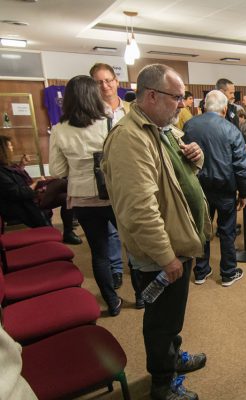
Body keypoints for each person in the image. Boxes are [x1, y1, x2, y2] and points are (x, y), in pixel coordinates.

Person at [102, 64, 211, 400]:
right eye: (177, 97)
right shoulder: (129, 139)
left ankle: (173, 358)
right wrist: (166, 257)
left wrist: (197, 156)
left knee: (171, 315)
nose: (182, 104)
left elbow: (182, 172)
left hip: (179, 240)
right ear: (151, 95)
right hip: (160, 252)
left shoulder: (162, 128)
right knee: (161, 321)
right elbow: (139, 210)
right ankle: (163, 385)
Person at [49, 75, 121, 316]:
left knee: (99, 253)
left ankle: (112, 302)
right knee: (130, 245)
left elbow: (57, 171)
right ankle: (142, 297)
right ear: (94, 96)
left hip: (81, 198)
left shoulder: (59, 130)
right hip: (111, 195)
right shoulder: (108, 123)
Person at [183, 90, 246, 287]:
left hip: (197, 187)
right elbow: (241, 165)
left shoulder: (189, 125)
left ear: (204, 105)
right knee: (227, 230)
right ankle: (228, 273)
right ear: (225, 108)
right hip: (225, 188)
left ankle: (201, 271)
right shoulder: (231, 129)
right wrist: (243, 193)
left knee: (201, 229)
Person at [90, 63, 141, 306]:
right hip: (100, 179)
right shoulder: (88, 112)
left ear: (116, 82)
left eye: (108, 80)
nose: (105, 85)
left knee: (130, 229)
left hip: (128, 177)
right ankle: (115, 269)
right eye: (99, 82)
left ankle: (138, 274)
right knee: (108, 233)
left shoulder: (130, 109)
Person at [0, 136, 81, 244]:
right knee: (63, 183)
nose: (12, 148)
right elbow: (16, 193)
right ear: (3, 150)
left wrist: (22, 165)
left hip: (30, 195)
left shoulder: (7, 166)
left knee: (67, 198)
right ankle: (83, 205)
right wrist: (36, 183)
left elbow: (16, 179)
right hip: (23, 203)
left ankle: (68, 232)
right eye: (9, 146)